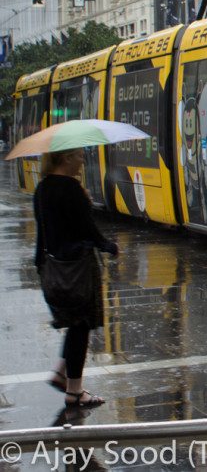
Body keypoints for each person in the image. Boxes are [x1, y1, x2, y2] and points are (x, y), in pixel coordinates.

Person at [33, 148, 118, 408]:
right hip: (76, 266)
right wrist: (107, 245)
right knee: (81, 323)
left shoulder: (43, 187)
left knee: (73, 321)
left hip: (51, 266)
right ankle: (75, 391)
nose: (83, 161)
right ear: (66, 158)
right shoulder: (70, 188)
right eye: (79, 156)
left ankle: (61, 372)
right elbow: (85, 229)